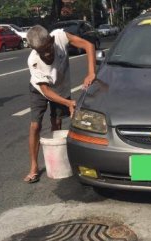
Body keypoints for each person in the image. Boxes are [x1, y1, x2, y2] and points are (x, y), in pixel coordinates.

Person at [24, 25, 96, 183]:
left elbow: (88, 46)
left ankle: (56, 159)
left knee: (57, 122)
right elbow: (46, 91)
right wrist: (68, 102)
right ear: (34, 49)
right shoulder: (33, 61)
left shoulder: (60, 36)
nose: (47, 53)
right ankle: (34, 166)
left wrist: (91, 72)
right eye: (42, 51)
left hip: (61, 86)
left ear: (51, 40)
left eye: (48, 47)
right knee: (35, 125)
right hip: (40, 90)